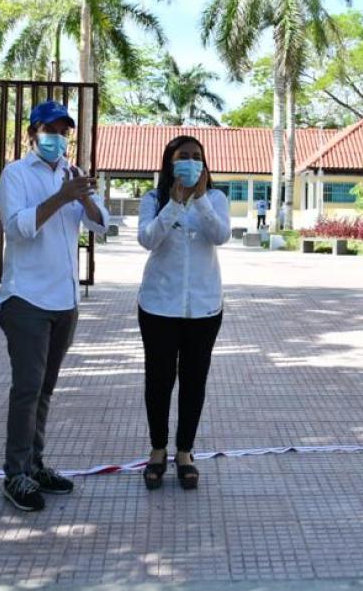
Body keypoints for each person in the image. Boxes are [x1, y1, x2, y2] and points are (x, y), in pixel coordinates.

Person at [0, 100, 109, 512]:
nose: (57, 138)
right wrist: (62, 197)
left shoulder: (70, 173)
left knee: (44, 389)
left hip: (65, 301)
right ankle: (16, 474)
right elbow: (19, 228)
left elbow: (101, 225)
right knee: (26, 388)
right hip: (26, 299)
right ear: (32, 134)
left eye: (63, 131)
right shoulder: (15, 174)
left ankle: (35, 463)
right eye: (49, 130)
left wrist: (84, 195)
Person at [137, 136, 231, 491]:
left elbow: (221, 235)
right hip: (159, 304)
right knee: (159, 381)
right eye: (183, 157)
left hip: (204, 307)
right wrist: (174, 205)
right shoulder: (154, 199)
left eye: (196, 157)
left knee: (195, 381)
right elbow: (147, 240)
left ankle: (185, 452)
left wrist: (201, 199)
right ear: (170, 163)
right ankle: (158, 450)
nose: (190, 162)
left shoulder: (217, 198)